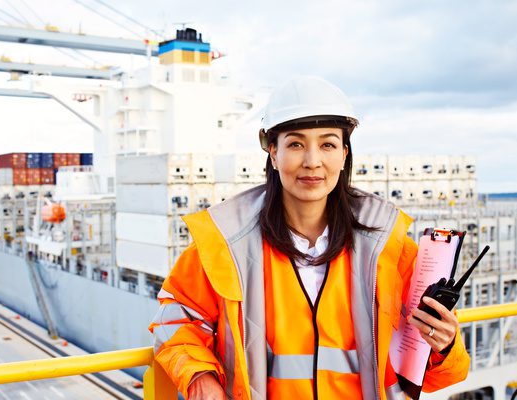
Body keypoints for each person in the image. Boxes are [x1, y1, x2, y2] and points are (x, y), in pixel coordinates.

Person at [149, 76, 470, 400]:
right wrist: (200, 377)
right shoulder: (226, 241)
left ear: (345, 153)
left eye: (327, 144)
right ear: (273, 152)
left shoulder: (387, 246)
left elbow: (437, 375)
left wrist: (445, 344)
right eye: (296, 144)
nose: (312, 161)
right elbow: (175, 318)